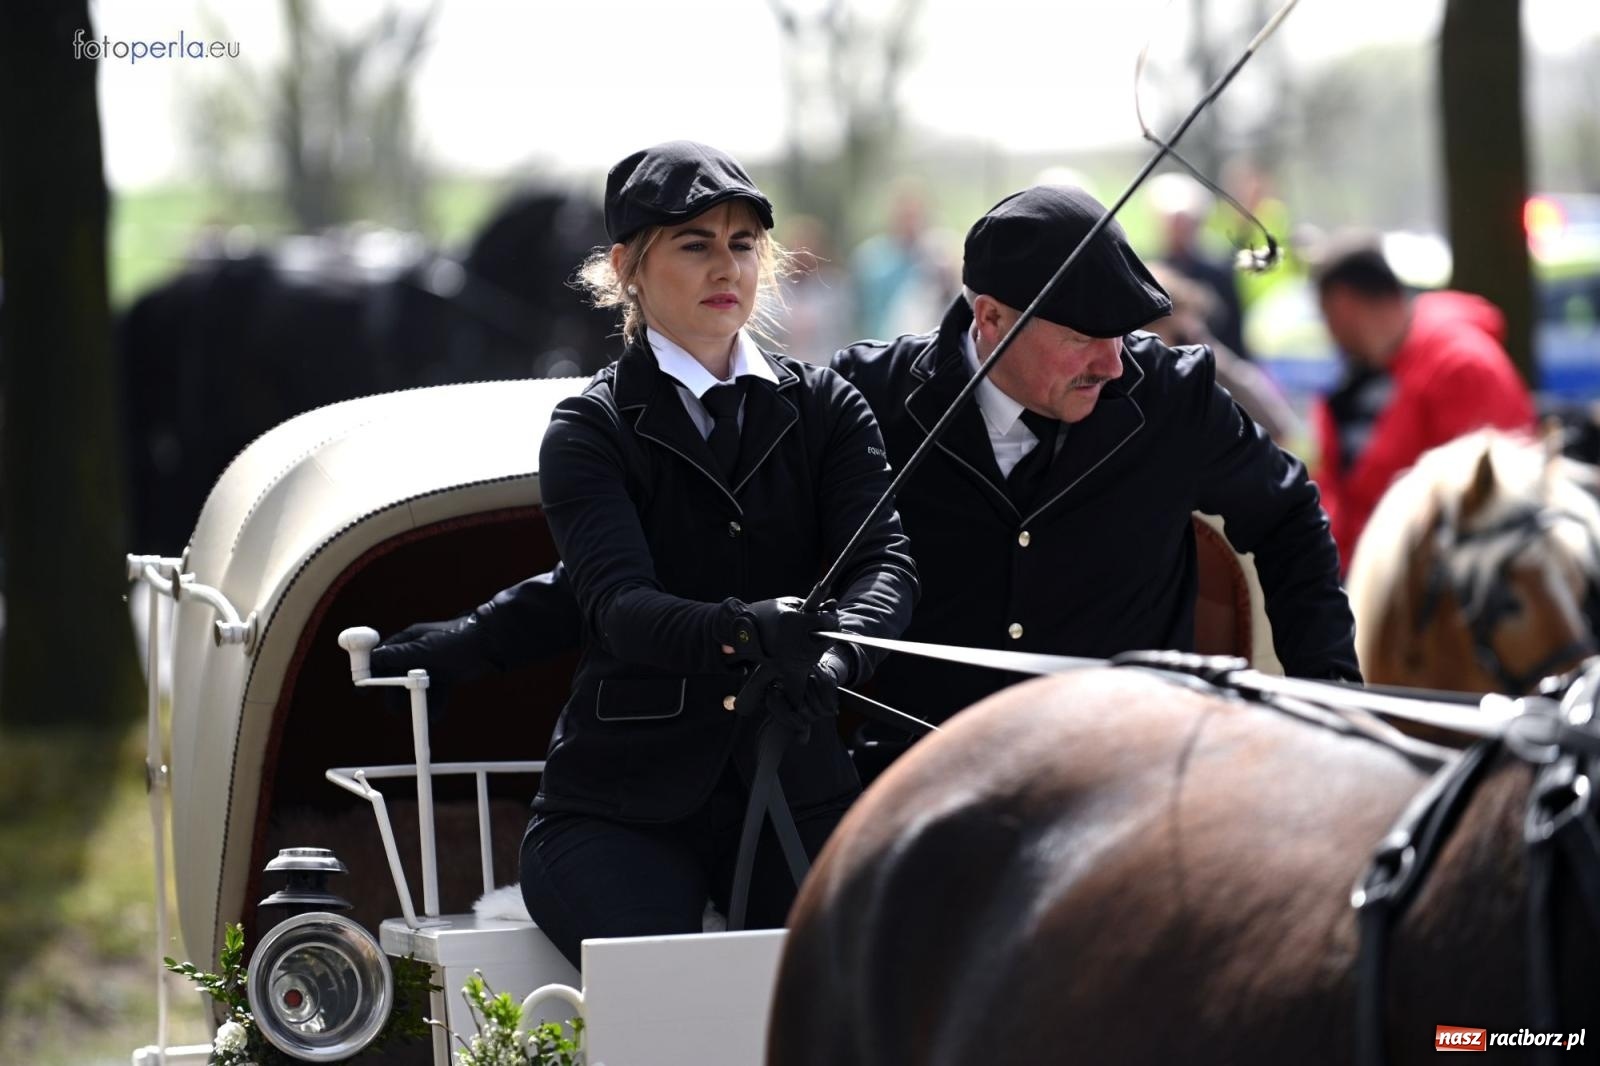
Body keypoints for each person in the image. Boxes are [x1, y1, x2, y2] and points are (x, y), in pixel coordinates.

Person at [377, 183, 1355, 769]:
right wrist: (474, 641)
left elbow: (1290, 520)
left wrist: (1333, 706)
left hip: (1131, 773)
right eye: (1083, 337)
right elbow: (679, 555)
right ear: (988, 318)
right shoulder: (857, 401)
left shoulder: (1174, 398)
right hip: (915, 784)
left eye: (1124, 335)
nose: (1114, 362)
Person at [396, 141, 919, 967]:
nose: (727, 266)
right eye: (695, 244)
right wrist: (745, 631)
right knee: (665, 984)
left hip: (801, 790)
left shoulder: (829, 407)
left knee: (857, 977)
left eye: (742, 244)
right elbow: (618, 607)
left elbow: (884, 564)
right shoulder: (591, 428)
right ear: (626, 268)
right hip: (621, 804)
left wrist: (838, 657)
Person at [1310, 239, 1536, 568]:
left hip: (1424, 582)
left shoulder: (1460, 366)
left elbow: (1489, 503)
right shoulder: (1372, 373)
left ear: (1344, 305)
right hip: (1370, 571)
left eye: (1327, 316)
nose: (1329, 333)